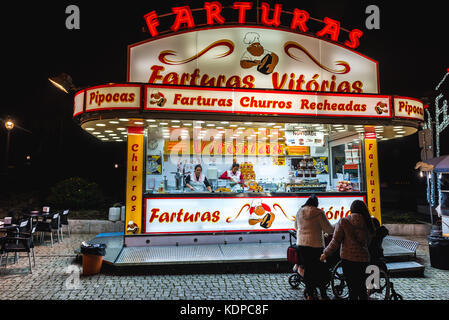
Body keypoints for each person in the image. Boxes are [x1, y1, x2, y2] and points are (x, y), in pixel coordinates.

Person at [320, 200, 375, 300]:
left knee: (352, 289)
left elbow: (335, 241)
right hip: (364, 260)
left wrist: (325, 253)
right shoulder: (368, 222)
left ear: (351, 209)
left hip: (348, 260)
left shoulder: (344, 222)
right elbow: (368, 242)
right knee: (362, 288)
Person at [295, 194, 334, 300]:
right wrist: (336, 227)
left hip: (302, 244)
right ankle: (323, 294)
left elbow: (296, 227)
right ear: (316, 203)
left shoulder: (300, 212)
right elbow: (328, 229)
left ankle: (310, 294)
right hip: (316, 245)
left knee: (308, 269)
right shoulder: (319, 213)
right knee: (319, 269)